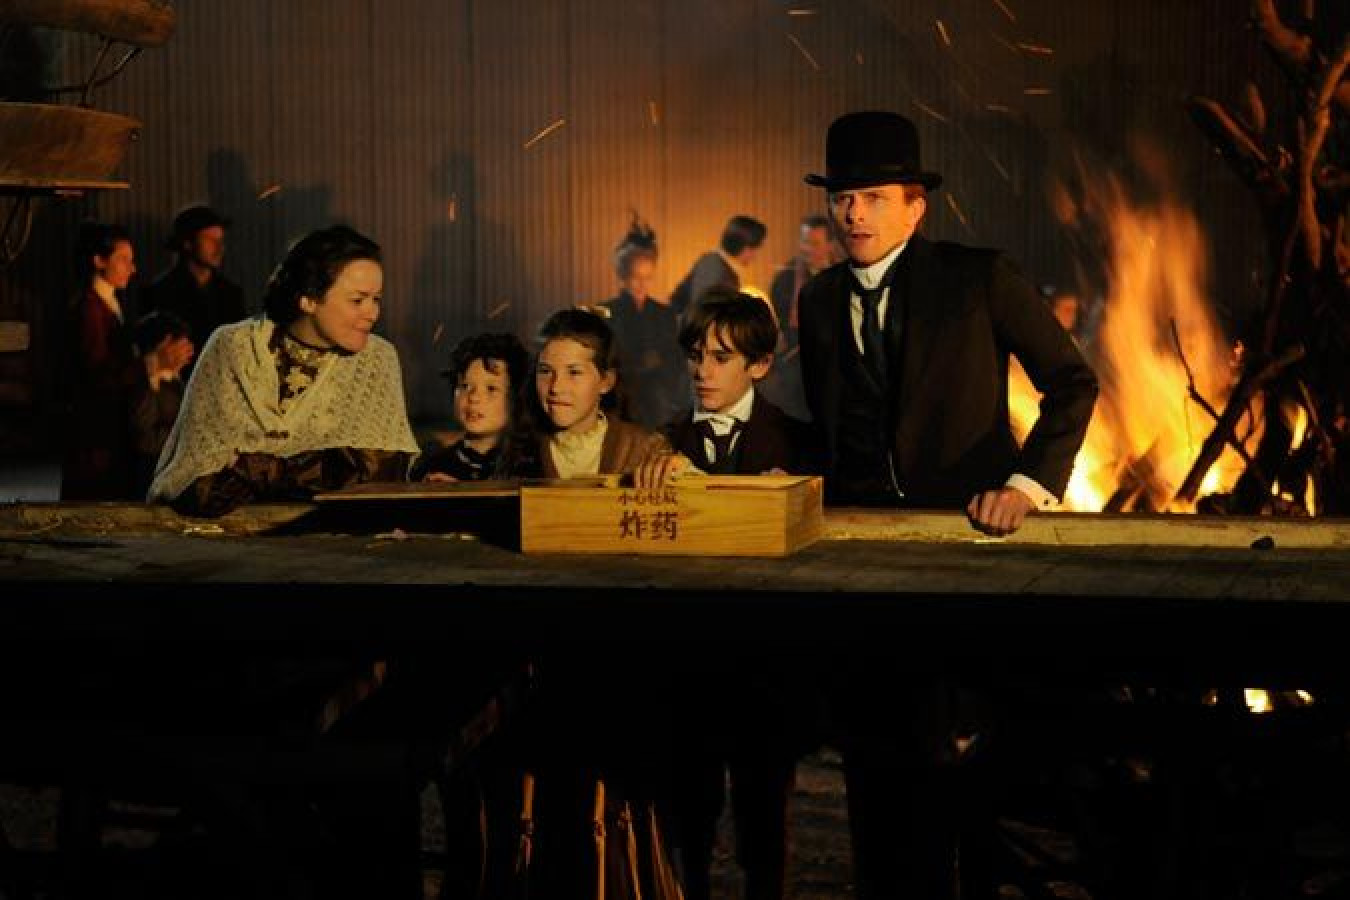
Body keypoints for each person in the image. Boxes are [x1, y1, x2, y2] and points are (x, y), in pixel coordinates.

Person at [797, 111, 1098, 900]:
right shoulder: (820, 302)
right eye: (842, 198)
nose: (853, 214)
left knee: (953, 775)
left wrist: (1028, 487)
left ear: (915, 205)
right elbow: (824, 437)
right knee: (870, 768)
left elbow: (1073, 383)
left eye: (870, 197)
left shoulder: (978, 278)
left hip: (964, 558)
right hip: (858, 572)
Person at [636, 289, 818, 900]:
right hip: (685, 663)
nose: (703, 371)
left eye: (720, 357)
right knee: (689, 807)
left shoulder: (796, 445)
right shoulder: (660, 444)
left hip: (768, 665)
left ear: (759, 365)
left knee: (764, 808)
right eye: (695, 355)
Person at [148, 225, 419, 515]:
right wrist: (308, 468)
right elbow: (199, 473)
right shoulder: (231, 347)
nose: (373, 312)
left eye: (376, 299)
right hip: (228, 542)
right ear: (308, 299)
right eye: (357, 300)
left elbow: (379, 469)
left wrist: (261, 469)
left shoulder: (378, 359)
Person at [59, 223, 183, 501]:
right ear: (99, 261)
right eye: (123, 260)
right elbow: (97, 377)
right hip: (94, 436)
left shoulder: (106, 303)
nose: (132, 268)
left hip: (104, 433)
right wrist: (153, 362)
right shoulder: (89, 309)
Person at [509, 306, 670, 480]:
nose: (556, 387)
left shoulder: (643, 447)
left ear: (606, 381)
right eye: (546, 371)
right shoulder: (518, 450)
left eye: (574, 372)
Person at [600, 216, 690, 430]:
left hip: (658, 401)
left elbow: (675, 360)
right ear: (623, 276)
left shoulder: (664, 314)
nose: (641, 284)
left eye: (647, 278)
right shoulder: (607, 312)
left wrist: (658, 362)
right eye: (635, 277)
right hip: (619, 397)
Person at [417, 332, 528, 481]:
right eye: (465, 386)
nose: (473, 398)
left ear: (515, 397)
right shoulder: (433, 467)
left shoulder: (529, 465)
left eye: (491, 389)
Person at [762, 214, 838, 420]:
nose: (806, 249)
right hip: (794, 364)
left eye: (814, 243)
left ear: (830, 245)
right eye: (804, 242)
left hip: (833, 363)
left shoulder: (842, 278)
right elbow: (775, 322)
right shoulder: (785, 278)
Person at [129, 310, 195, 495]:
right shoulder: (140, 385)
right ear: (165, 343)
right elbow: (145, 441)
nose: (190, 348)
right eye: (183, 342)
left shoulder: (174, 380)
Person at [669, 215, 767, 316]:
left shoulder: (721, 265)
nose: (755, 256)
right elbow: (702, 313)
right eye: (754, 249)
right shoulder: (712, 266)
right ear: (745, 247)